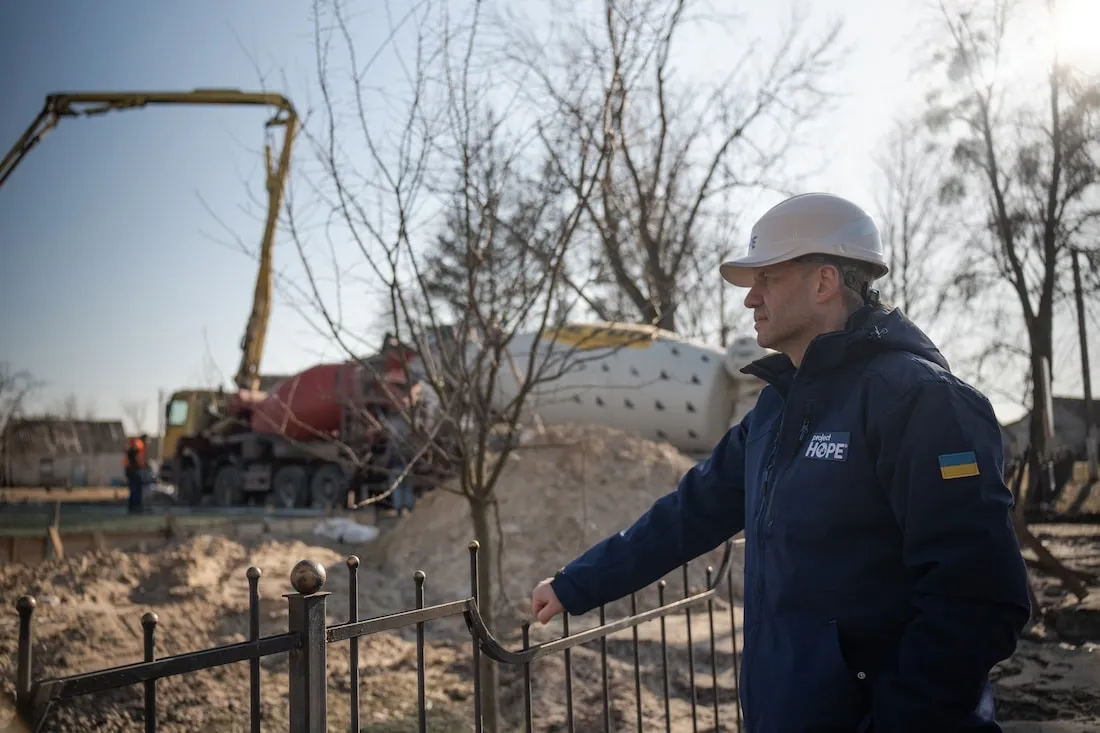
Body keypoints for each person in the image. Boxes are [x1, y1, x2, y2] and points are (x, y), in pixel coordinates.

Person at [529, 192, 1031, 732]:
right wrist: (576, 584)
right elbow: (689, 512)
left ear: (823, 282)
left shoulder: (921, 400)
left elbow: (977, 599)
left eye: (766, 278)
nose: (751, 299)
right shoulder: (777, 409)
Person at [123, 433, 147, 514]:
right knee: (135, 489)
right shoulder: (139, 444)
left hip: (131, 469)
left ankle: (133, 506)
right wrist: (137, 466)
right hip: (133, 469)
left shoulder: (136, 443)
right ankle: (135, 507)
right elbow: (133, 454)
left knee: (134, 489)